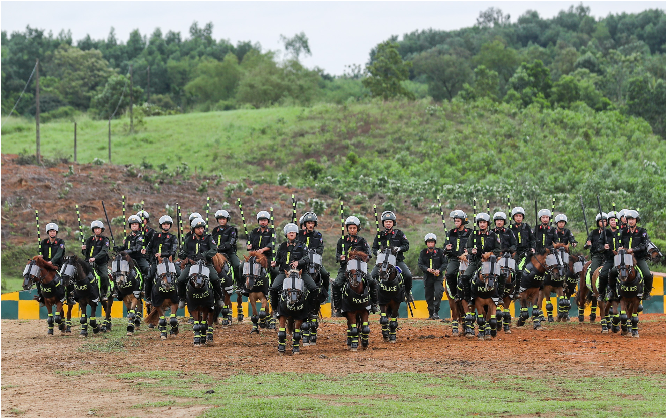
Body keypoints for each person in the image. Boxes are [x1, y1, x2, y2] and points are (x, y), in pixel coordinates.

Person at [269, 223, 318, 312]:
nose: (291, 234)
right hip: (285, 273)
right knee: (273, 289)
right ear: (286, 234)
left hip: (300, 273)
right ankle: (275, 310)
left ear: (296, 234)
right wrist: (275, 263)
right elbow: (278, 259)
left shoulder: (302, 246)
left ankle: (311, 310)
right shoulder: (282, 246)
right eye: (289, 232)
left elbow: (307, 258)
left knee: (314, 288)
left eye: (293, 232)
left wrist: (298, 262)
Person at [176, 217, 223, 308]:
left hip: (206, 264)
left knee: (215, 278)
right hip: (192, 264)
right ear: (193, 229)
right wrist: (182, 254)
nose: (201, 230)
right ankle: (182, 298)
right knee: (180, 280)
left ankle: (219, 298)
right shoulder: (188, 239)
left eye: (202, 228)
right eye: (198, 228)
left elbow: (214, 250)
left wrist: (204, 255)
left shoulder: (208, 238)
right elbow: (185, 252)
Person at [331, 216, 374, 315]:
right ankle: (337, 307)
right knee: (336, 284)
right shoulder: (341, 241)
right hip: (345, 268)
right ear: (347, 229)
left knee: (371, 281)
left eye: (354, 228)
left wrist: (362, 257)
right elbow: (337, 255)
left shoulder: (362, 241)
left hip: (360, 267)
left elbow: (369, 254)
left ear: (357, 229)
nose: (352, 230)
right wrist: (340, 257)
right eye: (350, 228)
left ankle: (373, 304)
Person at [371, 211, 413, 302]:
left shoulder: (399, 234)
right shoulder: (379, 235)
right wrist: (377, 252)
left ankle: (407, 293)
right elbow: (374, 248)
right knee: (372, 276)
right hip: (382, 262)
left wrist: (399, 248)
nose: (388, 223)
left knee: (408, 275)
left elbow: (406, 245)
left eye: (390, 222)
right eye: (386, 222)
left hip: (397, 261)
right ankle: (373, 298)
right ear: (383, 223)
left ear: (393, 223)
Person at [459, 213, 500, 304]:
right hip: (476, 261)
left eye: (484, 222)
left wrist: (489, 254)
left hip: (490, 262)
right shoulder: (473, 234)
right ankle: (469, 298)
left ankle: (499, 297)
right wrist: (471, 251)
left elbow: (498, 249)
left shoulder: (493, 235)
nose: (482, 224)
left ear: (487, 224)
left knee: (502, 275)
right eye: (480, 222)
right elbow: (468, 248)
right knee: (465, 277)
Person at [612, 210, 653, 300]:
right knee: (612, 272)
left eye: (633, 219)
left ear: (636, 220)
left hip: (638, 257)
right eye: (629, 219)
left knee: (647, 274)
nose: (630, 221)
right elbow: (619, 243)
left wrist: (633, 250)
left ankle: (646, 292)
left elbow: (644, 245)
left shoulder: (642, 231)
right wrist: (619, 248)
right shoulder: (623, 231)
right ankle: (612, 292)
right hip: (625, 258)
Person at [296, 212, 330, 302]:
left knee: (325, 275)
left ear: (315, 224)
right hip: (301, 261)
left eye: (312, 223)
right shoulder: (299, 234)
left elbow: (321, 248)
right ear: (305, 224)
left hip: (315, 261)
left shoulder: (318, 235)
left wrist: (315, 251)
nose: (310, 225)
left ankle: (325, 294)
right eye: (308, 223)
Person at [145, 215, 180, 304]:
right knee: (149, 277)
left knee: (180, 275)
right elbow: (149, 249)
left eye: (168, 224)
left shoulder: (173, 237)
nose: (166, 226)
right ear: (161, 225)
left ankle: (181, 296)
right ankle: (148, 297)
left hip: (169, 263)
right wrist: (145, 251)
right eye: (164, 224)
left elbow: (173, 251)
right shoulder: (155, 236)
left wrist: (162, 254)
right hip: (156, 262)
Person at [444, 210, 472, 303]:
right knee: (449, 274)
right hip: (454, 259)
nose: (456, 223)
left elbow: (475, 245)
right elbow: (445, 249)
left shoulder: (470, 233)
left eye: (458, 221)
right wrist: (446, 248)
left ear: (463, 221)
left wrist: (469, 252)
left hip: (467, 260)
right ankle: (455, 294)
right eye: (455, 221)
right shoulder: (450, 233)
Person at [418, 233, 446, 320]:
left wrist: (439, 270)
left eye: (432, 242)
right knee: (428, 295)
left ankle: (436, 312)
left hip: (438, 277)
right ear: (426, 243)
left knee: (438, 293)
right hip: (428, 277)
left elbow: (445, 263)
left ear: (434, 243)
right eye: (429, 242)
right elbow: (420, 264)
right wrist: (427, 269)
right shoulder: (423, 253)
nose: (430, 244)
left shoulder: (440, 252)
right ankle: (430, 313)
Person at [81, 220, 110, 301]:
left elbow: (104, 251)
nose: (97, 230)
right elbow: (86, 254)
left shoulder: (105, 240)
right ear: (93, 230)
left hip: (100, 263)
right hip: (88, 262)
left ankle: (104, 293)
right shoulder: (89, 240)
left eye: (98, 229)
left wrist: (95, 258)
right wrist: (83, 250)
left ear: (101, 230)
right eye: (95, 229)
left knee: (104, 276)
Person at [211, 210, 241, 286]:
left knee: (237, 265)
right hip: (216, 254)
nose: (222, 221)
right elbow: (211, 241)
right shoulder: (215, 230)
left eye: (223, 219)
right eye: (220, 219)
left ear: (227, 220)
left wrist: (219, 247)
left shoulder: (232, 229)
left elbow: (231, 242)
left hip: (229, 253)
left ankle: (240, 284)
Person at [247, 210, 276, 280]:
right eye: (261, 220)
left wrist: (263, 250)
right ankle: (243, 285)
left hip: (267, 255)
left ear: (268, 221)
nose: (262, 222)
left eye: (264, 220)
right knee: (242, 266)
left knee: (274, 271)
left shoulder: (272, 232)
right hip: (254, 255)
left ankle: (273, 287)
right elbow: (249, 241)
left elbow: (272, 244)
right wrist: (248, 246)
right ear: (258, 221)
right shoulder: (254, 231)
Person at [599, 211, 621, 301]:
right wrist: (604, 247)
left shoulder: (622, 232)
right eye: (611, 220)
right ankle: (602, 293)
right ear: (609, 222)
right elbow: (599, 246)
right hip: (610, 259)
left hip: (621, 259)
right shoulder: (605, 233)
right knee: (603, 274)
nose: (613, 222)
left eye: (615, 220)